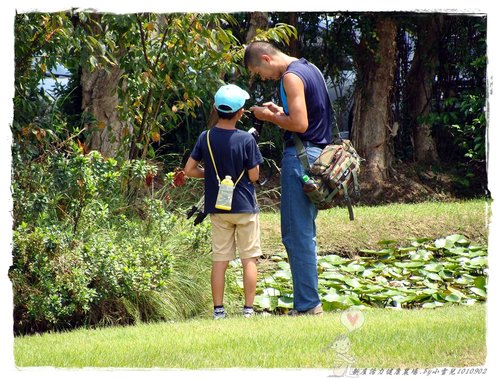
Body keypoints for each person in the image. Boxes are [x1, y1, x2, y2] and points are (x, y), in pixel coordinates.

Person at [244, 41, 332, 316]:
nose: (263, 78)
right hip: (319, 154)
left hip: (301, 158)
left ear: (267, 59)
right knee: (304, 232)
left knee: (296, 234)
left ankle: (308, 305)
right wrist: (279, 112)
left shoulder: (290, 78)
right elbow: (310, 116)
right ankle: (308, 302)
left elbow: (301, 125)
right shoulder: (310, 68)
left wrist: (267, 117)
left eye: (260, 72)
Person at [184, 84, 264, 319]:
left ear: (215, 109)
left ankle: (219, 311)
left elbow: (189, 169)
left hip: (218, 208)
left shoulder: (205, 137)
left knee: (220, 260)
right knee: (249, 258)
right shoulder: (246, 140)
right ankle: (248, 310)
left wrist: (208, 174)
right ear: (241, 112)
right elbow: (254, 175)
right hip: (245, 207)